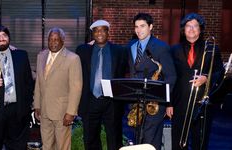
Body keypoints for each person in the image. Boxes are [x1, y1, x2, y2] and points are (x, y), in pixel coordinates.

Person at [168, 13, 224, 150]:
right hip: (179, 103)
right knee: (178, 142)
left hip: (201, 104)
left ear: (200, 29)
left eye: (195, 26)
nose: (191, 29)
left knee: (200, 142)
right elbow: (170, 76)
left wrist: (206, 78)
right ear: (183, 29)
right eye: (188, 26)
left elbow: (220, 73)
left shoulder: (212, 49)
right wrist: (169, 103)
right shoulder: (174, 49)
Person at [75, 20, 128, 150]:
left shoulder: (119, 51)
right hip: (90, 101)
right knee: (90, 138)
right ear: (92, 34)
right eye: (96, 30)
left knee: (114, 138)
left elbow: (124, 74)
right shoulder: (83, 51)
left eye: (102, 30)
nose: (99, 33)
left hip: (112, 102)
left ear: (108, 32)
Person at [127, 13, 176, 150]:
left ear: (151, 27)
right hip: (136, 102)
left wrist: (165, 101)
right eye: (136, 26)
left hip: (154, 104)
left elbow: (171, 76)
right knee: (137, 139)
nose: (138, 30)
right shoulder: (131, 45)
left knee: (150, 142)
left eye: (142, 26)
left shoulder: (161, 47)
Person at [34, 27, 82, 150]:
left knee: (62, 146)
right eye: (50, 40)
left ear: (63, 41)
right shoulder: (41, 56)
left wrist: (71, 113)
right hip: (44, 111)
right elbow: (39, 83)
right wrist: (37, 105)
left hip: (62, 112)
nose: (53, 43)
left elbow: (76, 88)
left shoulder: (73, 59)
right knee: (47, 145)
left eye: (56, 40)